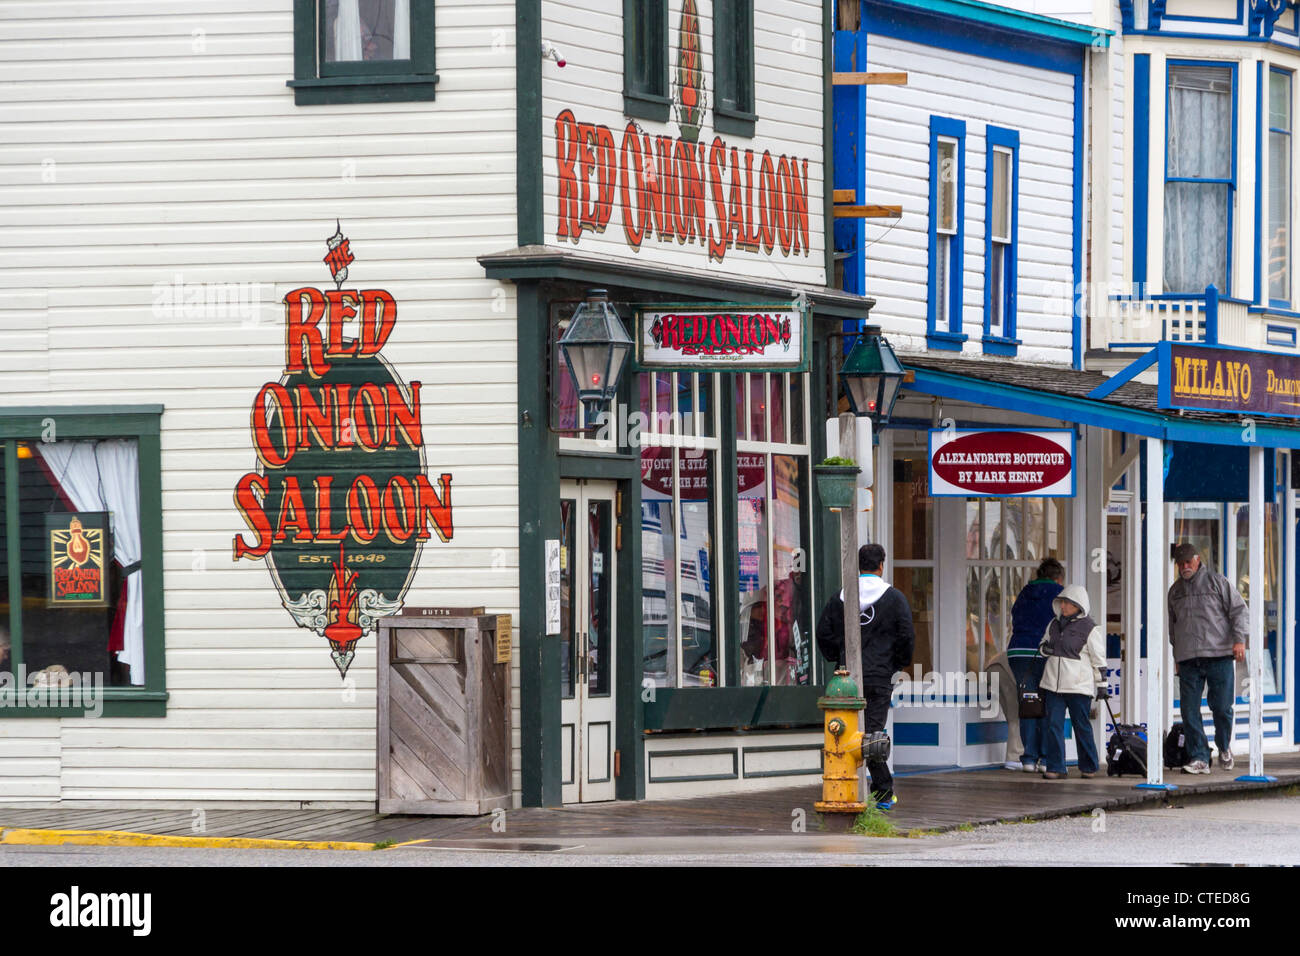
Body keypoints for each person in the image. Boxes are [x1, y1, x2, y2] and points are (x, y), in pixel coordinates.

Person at [815, 543, 915, 809]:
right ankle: (882, 793)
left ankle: (854, 787)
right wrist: (897, 664)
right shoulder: (894, 598)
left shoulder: (840, 597)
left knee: (846, 730)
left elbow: (823, 632)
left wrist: (837, 659)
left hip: (846, 678)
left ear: (858, 564)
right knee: (872, 733)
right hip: (879, 675)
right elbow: (906, 635)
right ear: (881, 564)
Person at [1167, 542, 1247, 774]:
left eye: (1187, 562)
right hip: (1188, 658)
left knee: (1221, 707)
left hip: (1219, 655)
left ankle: (1223, 746)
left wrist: (1239, 640)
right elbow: (1173, 629)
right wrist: (1177, 657)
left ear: (1198, 559)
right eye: (1180, 564)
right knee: (1188, 710)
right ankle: (1200, 757)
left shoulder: (1217, 582)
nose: (1184, 567)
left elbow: (1239, 611)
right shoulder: (1175, 591)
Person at [1038, 584, 1106, 780]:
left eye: (1068, 603)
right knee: (1053, 726)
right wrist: (1046, 650)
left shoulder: (1090, 628)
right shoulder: (1052, 624)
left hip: (1078, 686)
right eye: (1062, 602)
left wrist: (1102, 686)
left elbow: (1098, 660)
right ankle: (1056, 767)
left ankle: (1089, 766)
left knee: (1081, 726)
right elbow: (1042, 646)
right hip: (1052, 684)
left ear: (1079, 605)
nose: (1063, 606)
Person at [1004, 558, 1065, 772]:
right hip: (1043, 651)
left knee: (1029, 702)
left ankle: (1028, 758)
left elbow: (1015, 618)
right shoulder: (1059, 593)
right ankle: (1046, 759)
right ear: (1058, 577)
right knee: (1049, 703)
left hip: (1018, 651)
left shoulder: (1025, 592)